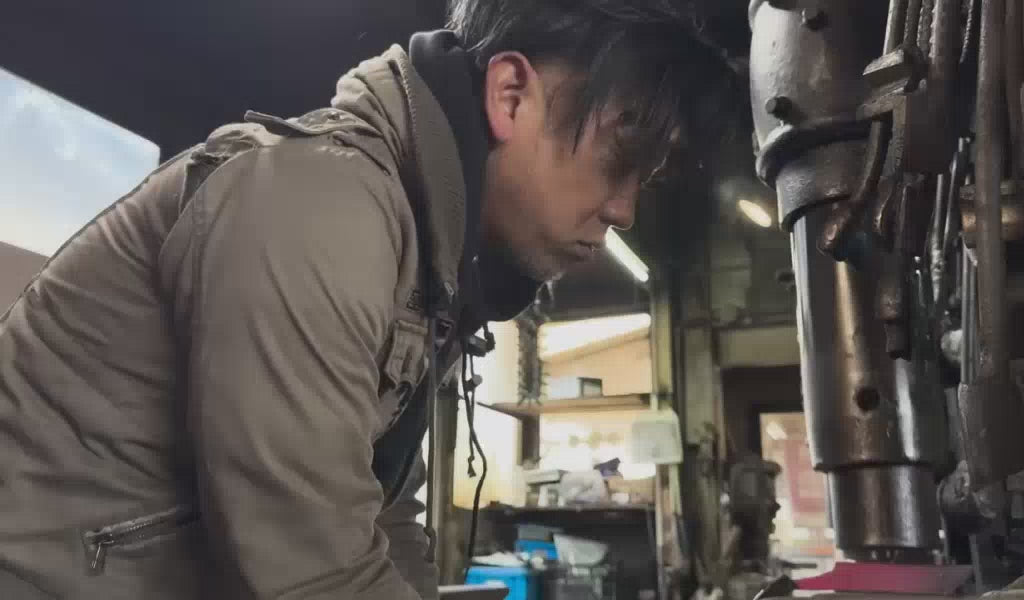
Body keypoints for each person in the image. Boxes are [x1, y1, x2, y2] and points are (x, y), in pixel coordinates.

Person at [0, 1, 731, 598]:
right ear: (511, 95)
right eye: (619, 159)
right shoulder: (317, 207)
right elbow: (315, 569)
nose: (625, 209)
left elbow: (384, 519)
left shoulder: (424, 266)